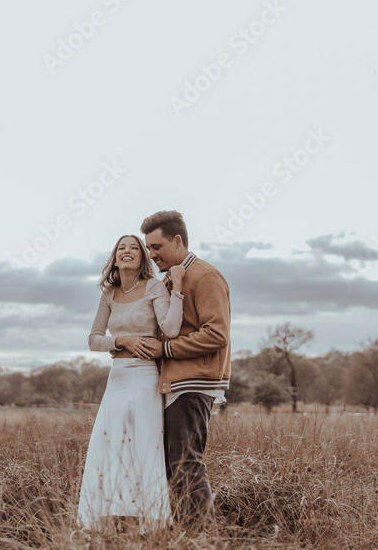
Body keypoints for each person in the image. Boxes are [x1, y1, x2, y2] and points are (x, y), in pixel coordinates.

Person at [76, 234, 185, 531]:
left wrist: (177, 291)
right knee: (108, 444)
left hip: (145, 376)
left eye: (134, 248)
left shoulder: (152, 287)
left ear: (142, 257)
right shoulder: (109, 294)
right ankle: (110, 516)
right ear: (115, 257)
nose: (127, 251)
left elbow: (172, 329)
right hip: (117, 377)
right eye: (121, 248)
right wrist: (120, 339)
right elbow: (93, 340)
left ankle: (151, 520)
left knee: (144, 445)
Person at [138, 210, 231, 531]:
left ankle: (201, 538)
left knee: (185, 464)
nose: (152, 255)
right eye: (148, 249)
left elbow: (217, 334)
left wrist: (166, 350)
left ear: (178, 241)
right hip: (172, 384)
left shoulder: (205, 277)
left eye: (157, 246)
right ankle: (185, 533)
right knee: (173, 465)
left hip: (193, 383)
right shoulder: (169, 281)